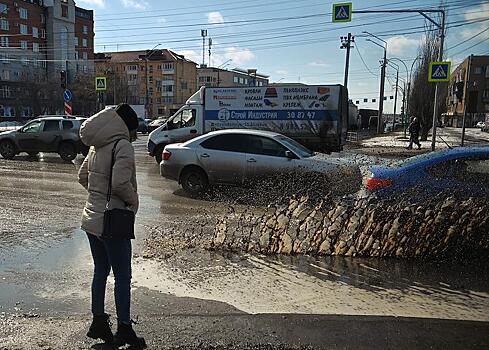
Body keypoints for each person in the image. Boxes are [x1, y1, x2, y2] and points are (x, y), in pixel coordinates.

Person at [78, 104, 146, 348]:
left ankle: (98, 322)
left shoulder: (97, 144)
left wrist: (98, 197)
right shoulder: (122, 145)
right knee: (123, 277)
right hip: (113, 220)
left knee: (100, 271)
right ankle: (124, 329)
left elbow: (82, 177)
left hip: (91, 219)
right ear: (127, 127)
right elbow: (119, 183)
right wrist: (133, 201)